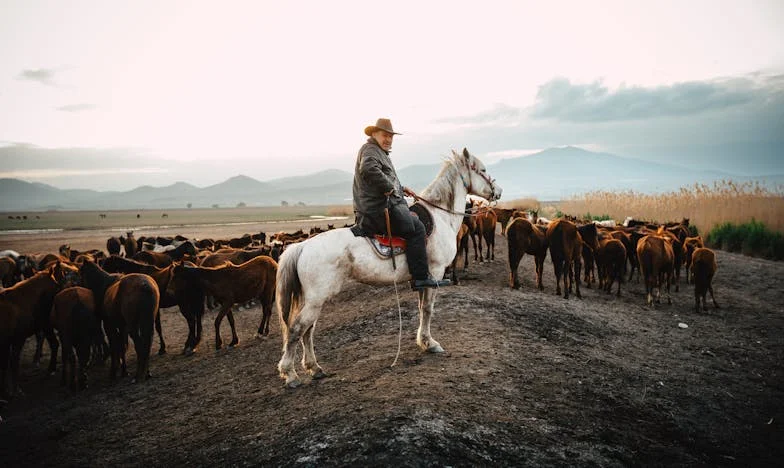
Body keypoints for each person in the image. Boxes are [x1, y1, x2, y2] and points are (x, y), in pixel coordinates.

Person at [352, 118, 439, 290]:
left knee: (413, 219)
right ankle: (420, 277)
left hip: (375, 208)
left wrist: (401, 188)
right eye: (385, 135)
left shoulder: (379, 152)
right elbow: (369, 170)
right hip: (375, 212)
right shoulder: (370, 150)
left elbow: (385, 176)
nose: (389, 140)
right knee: (418, 228)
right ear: (374, 134)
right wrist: (389, 188)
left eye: (391, 137)